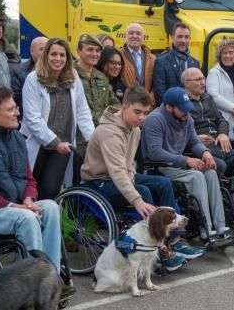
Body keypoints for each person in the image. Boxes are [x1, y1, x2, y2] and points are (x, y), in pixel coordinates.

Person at [0, 87, 74, 299]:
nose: (17, 113)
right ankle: (33, 287)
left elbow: (29, 178)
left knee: (51, 207)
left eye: (16, 107)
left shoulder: (17, 138)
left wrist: (29, 198)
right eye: (11, 109)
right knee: (27, 217)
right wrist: (14, 206)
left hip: (17, 207)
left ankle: (51, 279)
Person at [81, 86, 204, 268]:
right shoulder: (109, 132)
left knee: (163, 184)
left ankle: (175, 239)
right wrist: (137, 201)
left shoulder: (135, 128)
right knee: (144, 192)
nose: (141, 117)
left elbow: (129, 162)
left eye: (145, 113)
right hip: (98, 181)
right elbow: (116, 171)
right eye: (137, 112)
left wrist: (130, 172)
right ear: (124, 107)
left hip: (121, 175)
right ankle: (159, 248)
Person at [141, 87, 234, 249]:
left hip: (178, 163)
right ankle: (206, 230)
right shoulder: (155, 119)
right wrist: (186, 160)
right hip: (160, 166)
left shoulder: (186, 118)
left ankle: (220, 226)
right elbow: (155, 152)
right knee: (197, 176)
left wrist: (205, 153)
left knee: (210, 172)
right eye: (182, 110)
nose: (187, 113)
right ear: (169, 107)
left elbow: (194, 141)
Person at [20, 38, 94, 199]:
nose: (58, 59)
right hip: (38, 145)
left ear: (68, 58)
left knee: (50, 191)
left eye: (62, 55)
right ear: (45, 55)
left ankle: (49, 223)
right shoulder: (33, 79)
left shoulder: (73, 78)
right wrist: (54, 142)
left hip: (62, 147)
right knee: (31, 191)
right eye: (53, 54)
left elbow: (83, 111)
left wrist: (93, 140)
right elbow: (33, 118)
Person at [73, 33, 120, 184]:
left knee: (92, 182)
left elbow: (114, 104)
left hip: (99, 138)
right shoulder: (69, 74)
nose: (94, 54)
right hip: (77, 139)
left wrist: (109, 119)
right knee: (74, 181)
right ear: (79, 51)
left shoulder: (101, 77)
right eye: (90, 50)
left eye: (97, 51)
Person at [183, 67, 234, 177]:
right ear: (187, 83)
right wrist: (194, 138)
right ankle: (220, 193)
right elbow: (177, 130)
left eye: (203, 79)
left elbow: (221, 120)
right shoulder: (182, 103)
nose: (202, 83)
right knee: (220, 165)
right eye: (198, 80)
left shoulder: (208, 98)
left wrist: (223, 134)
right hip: (200, 149)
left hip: (219, 145)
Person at [152, 23, 199, 104]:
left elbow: (199, 89)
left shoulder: (195, 63)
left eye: (186, 37)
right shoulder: (161, 62)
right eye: (180, 36)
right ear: (172, 37)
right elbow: (160, 94)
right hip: (171, 111)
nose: (183, 41)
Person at [119, 23, 156, 103]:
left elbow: (156, 84)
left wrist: (150, 101)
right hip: (128, 103)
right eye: (131, 33)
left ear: (143, 37)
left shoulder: (152, 58)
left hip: (147, 105)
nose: (135, 36)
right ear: (125, 36)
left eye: (138, 33)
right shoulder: (118, 56)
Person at [10, 36, 48, 111]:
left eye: (48, 50)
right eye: (42, 49)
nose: (45, 53)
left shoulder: (56, 71)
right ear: (32, 51)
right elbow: (16, 101)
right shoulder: (18, 72)